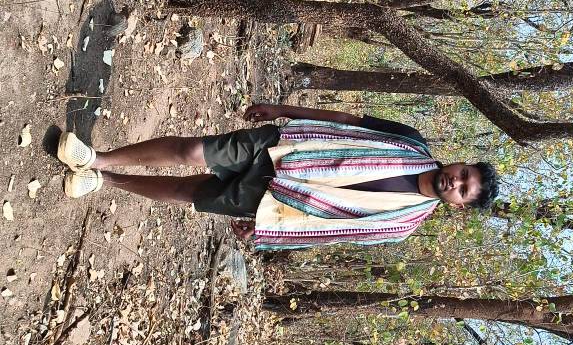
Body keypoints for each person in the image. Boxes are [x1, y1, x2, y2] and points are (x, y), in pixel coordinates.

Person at [57, 103, 499, 251]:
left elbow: (334, 234)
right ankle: (98, 158)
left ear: (459, 205)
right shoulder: (411, 142)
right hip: (285, 146)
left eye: (463, 190)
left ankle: (105, 181)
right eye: (463, 174)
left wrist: (267, 233)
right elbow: (349, 121)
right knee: (192, 151)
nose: (455, 182)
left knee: (185, 191)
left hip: (278, 204)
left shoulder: (402, 224)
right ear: (459, 164)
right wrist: (284, 111)